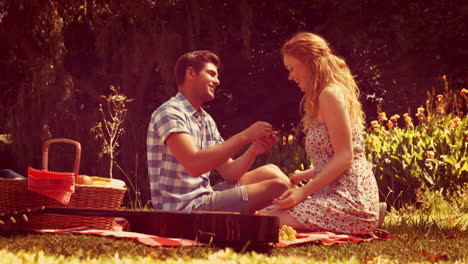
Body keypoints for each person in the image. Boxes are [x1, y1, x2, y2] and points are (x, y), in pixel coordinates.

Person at [261, 32, 384, 234]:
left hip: (350, 198)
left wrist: (303, 192)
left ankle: (365, 217)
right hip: (337, 194)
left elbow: (345, 157)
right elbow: (334, 157)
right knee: (266, 213)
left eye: (292, 69)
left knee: (265, 221)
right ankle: (369, 214)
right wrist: (305, 175)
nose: (290, 77)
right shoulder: (323, 96)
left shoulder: (330, 94)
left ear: (308, 62)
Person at [147, 50, 293, 214]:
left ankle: (305, 208)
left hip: (204, 197)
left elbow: (230, 174)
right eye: (211, 74)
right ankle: (306, 215)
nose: (217, 81)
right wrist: (245, 136)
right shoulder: (169, 113)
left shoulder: (205, 120)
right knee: (276, 188)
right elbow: (194, 165)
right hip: (182, 211)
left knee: (271, 171)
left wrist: (254, 149)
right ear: (190, 73)